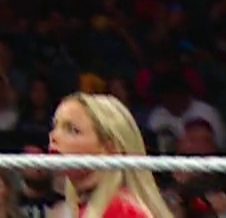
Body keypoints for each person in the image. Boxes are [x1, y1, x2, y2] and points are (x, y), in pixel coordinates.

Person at [48, 92, 177, 218]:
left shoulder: (122, 211)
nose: (54, 136)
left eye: (73, 130)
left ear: (110, 149)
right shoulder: (94, 207)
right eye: (55, 126)